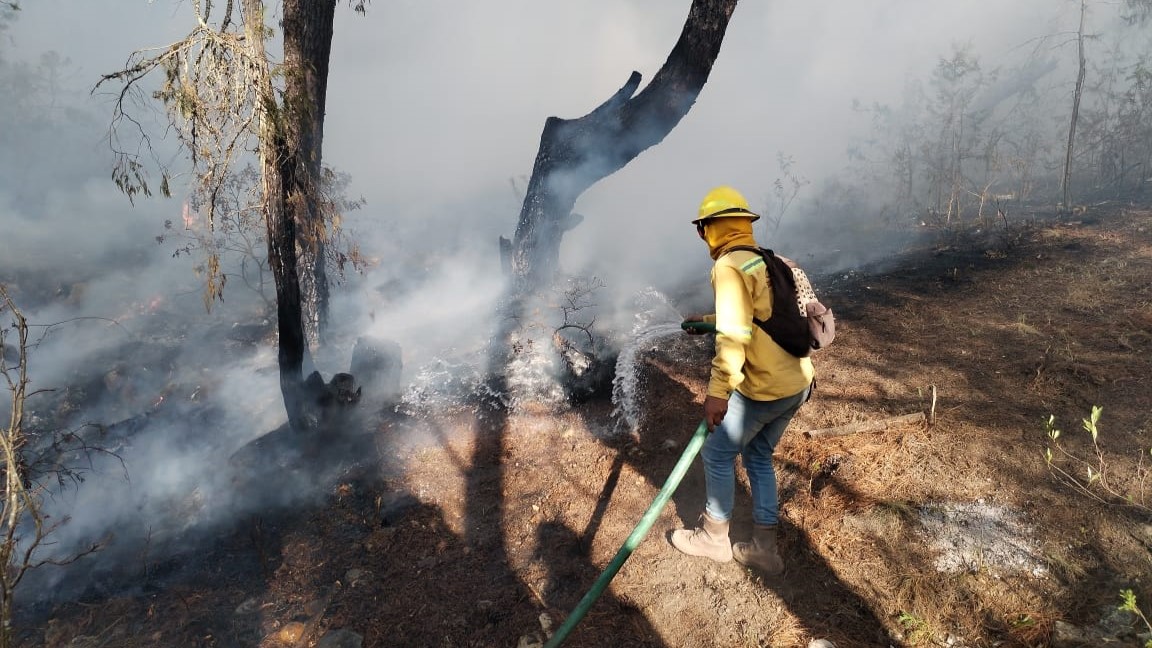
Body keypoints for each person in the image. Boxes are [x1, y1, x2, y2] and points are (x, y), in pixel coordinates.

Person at [671, 185, 814, 575]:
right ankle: (765, 549)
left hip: (765, 389)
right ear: (743, 224)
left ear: (710, 228)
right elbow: (757, 315)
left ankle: (713, 539)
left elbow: (735, 336)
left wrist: (717, 393)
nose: (700, 236)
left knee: (717, 454)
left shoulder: (729, 266)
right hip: (798, 383)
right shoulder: (763, 259)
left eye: (701, 229)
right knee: (758, 455)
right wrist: (707, 322)